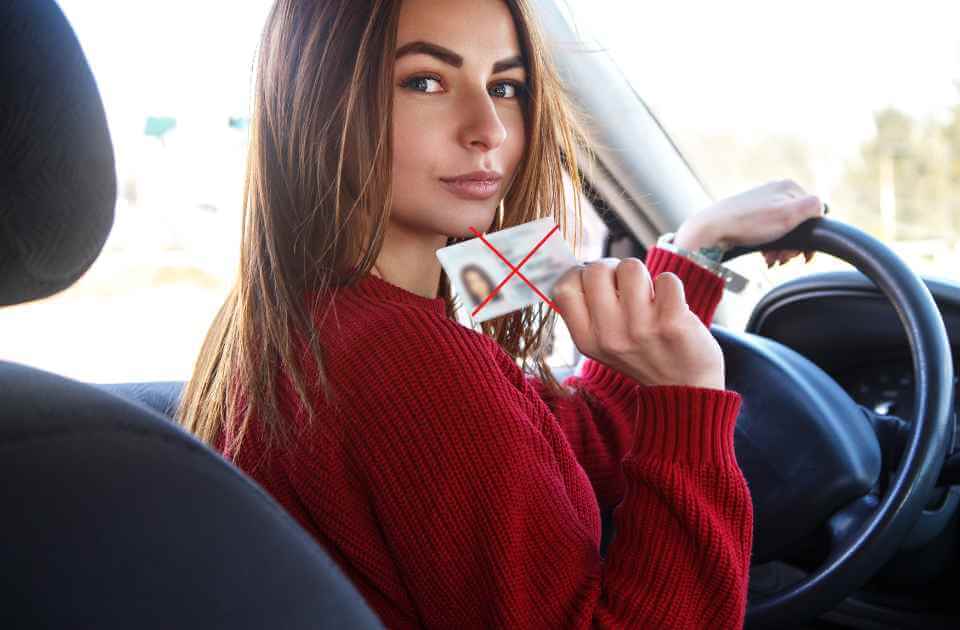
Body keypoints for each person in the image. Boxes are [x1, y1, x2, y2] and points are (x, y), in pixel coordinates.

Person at [176, 0, 824, 627]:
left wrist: (694, 250)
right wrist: (686, 398)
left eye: (506, 86)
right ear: (319, 102)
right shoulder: (408, 357)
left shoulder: (299, 313)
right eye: (425, 81)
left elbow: (563, 442)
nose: (488, 129)